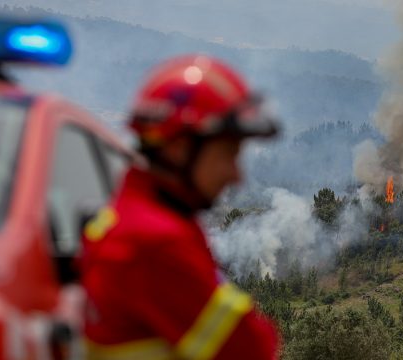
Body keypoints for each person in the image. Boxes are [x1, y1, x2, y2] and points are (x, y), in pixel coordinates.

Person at [80, 55, 280, 359]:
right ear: (179, 148)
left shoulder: (131, 215)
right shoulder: (155, 243)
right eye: (228, 154)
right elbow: (249, 349)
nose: (236, 174)